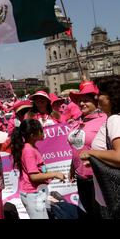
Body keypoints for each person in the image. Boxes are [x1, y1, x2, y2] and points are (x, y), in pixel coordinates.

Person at [79, 75, 120, 218]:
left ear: (112, 97)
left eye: (101, 94)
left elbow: (118, 156)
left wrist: (92, 154)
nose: (97, 98)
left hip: (113, 199)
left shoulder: (115, 120)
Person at [11, 119, 66, 219]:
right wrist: (54, 174)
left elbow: (40, 170)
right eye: (41, 130)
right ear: (32, 135)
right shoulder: (28, 151)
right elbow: (34, 176)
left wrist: (49, 176)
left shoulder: (32, 148)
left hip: (37, 193)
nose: (43, 132)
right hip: (33, 195)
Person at [67, 81, 106, 219]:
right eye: (80, 100)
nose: (82, 103)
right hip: (81, 177)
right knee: (88, 213)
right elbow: (76, 147)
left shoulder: (106, 120)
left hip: (99, 178)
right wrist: (73, 168)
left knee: (100, 215)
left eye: (86, 100)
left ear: (96, 102)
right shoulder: (77, 121)